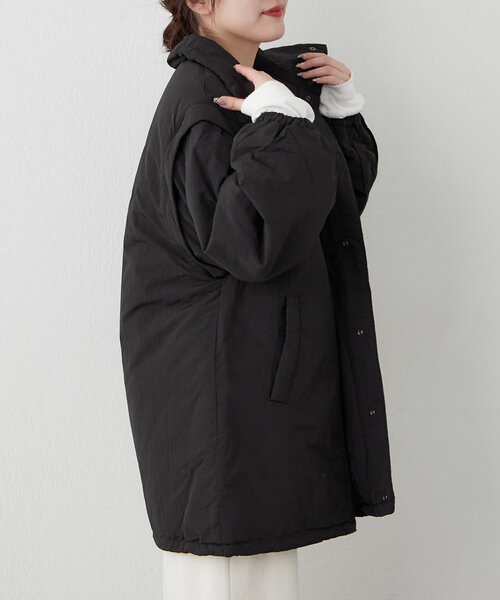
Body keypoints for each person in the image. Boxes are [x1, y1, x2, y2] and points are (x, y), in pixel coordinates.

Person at [119, 1, 395, 598]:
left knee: (259, 571)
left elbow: (323, 214)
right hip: (219, 389)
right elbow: (252, 242)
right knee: (224, 572)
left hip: (254, 376)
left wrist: (337, 114)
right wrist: (280, 124)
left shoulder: (262, 85)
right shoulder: (203, 100)